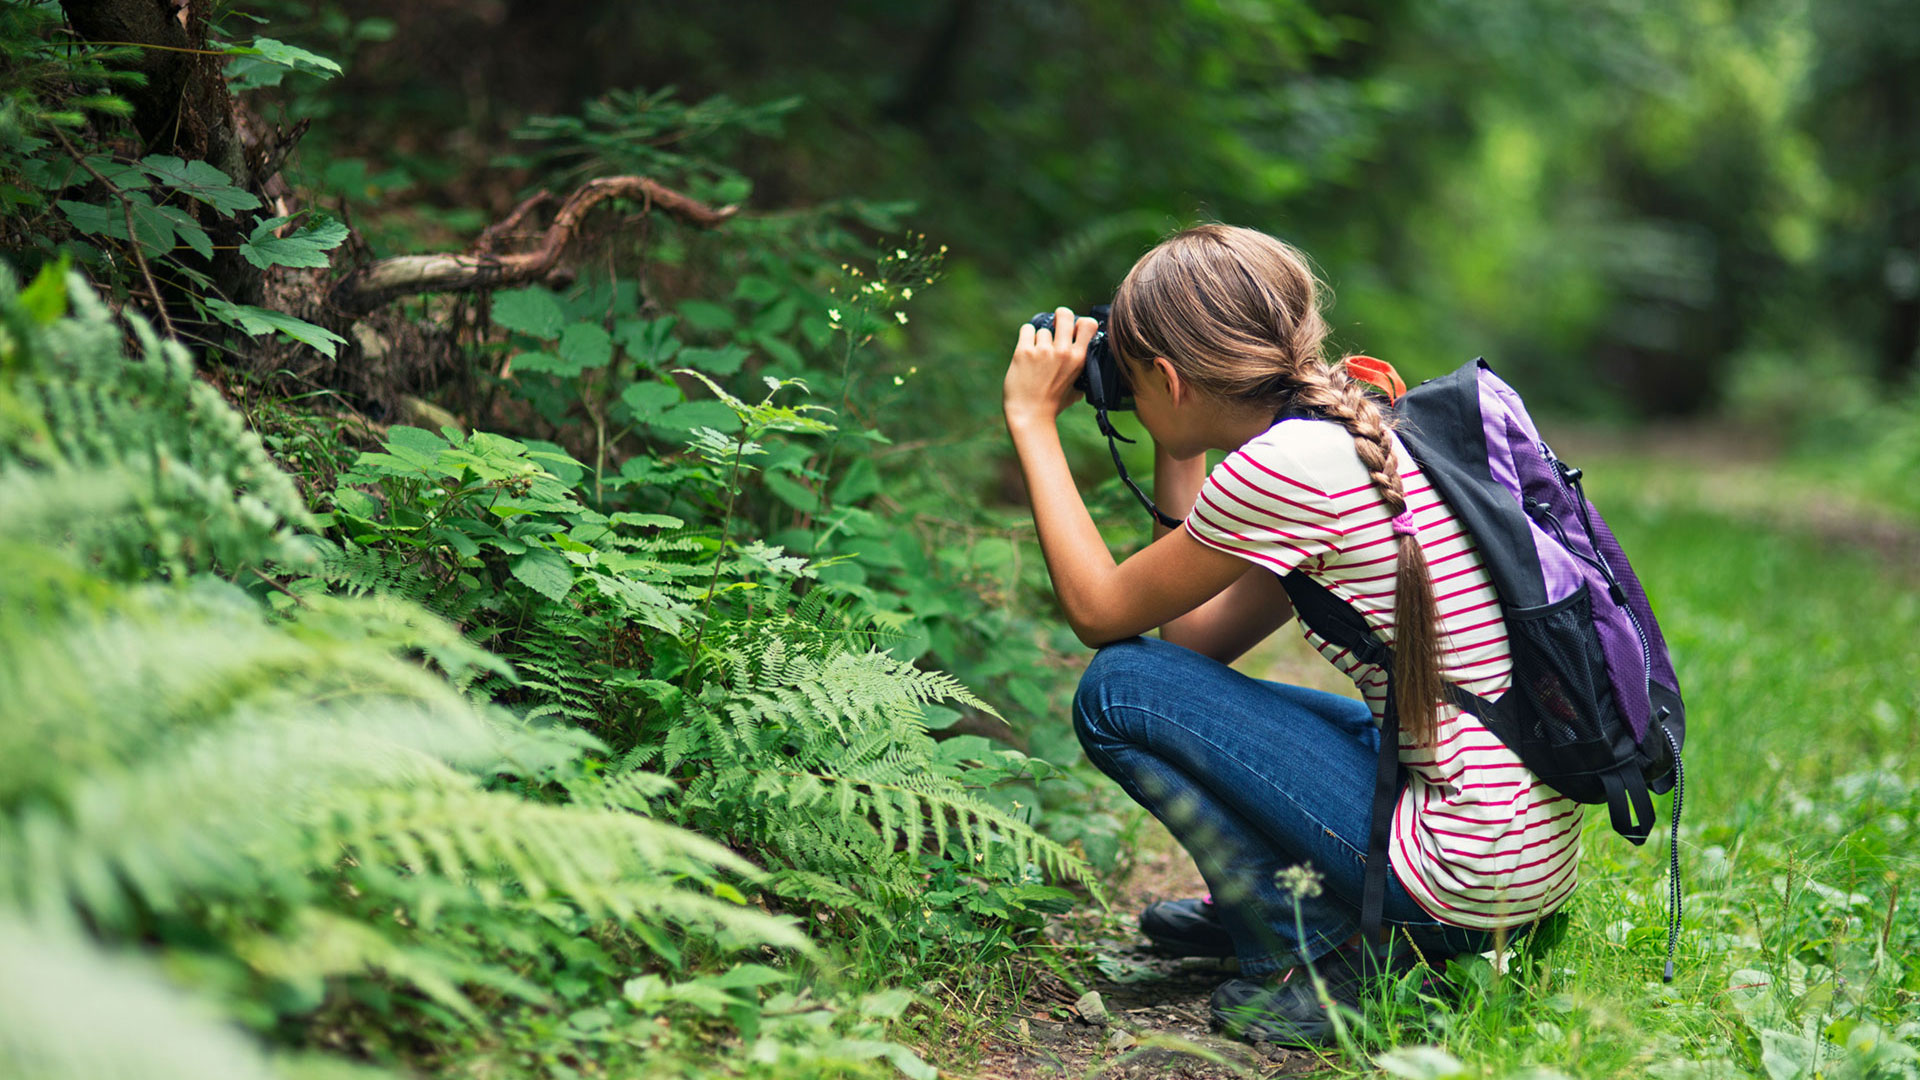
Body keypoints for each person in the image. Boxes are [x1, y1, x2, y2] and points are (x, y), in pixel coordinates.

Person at [1000, 224, 1578, 1044]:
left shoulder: (1285, 467)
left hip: (1469, 874)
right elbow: (1195, 646)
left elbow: (1102, 616)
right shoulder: (1357, 428)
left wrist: (1032, 421)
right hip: (1520, 858)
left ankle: (1316, 949)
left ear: (1167, 375)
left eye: (1135, 379)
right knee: (1285, 711)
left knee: (1116, 688)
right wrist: (1179, 441)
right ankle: (1307, 900)